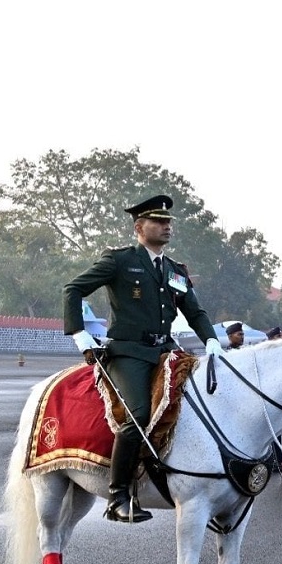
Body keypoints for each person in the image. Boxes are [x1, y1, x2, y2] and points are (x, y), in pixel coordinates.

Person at [64, 195, 222, 523]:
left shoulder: (175, 271)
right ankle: (118, 495)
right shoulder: (120, 261)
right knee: (138, 415)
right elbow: (73, 290)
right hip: (128, 353)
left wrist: (212, 341)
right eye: (159, 222)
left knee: (202, 406)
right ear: (139, 227)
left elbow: (194, 311)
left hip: (166, 352)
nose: (167, 227)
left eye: (169, 223)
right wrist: (80, 335)